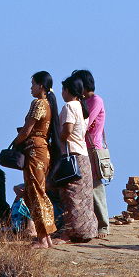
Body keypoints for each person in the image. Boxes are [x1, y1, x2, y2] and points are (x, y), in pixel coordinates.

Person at [15, 71, 57, 248]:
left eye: (33, 84)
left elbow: (27, 130)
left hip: (34, 151)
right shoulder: (49, 104)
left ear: (41, 86)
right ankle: (45, 235)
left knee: (35, 193)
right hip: (43, 151)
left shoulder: (38, 103)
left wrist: (15, 143)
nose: (31, 87)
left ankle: (42, 238)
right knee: (39, 192)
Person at [55, 75, 97, 243]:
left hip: (71, 155)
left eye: (63, 89)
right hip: (83, 155)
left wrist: (56, 138)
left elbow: (67, 132)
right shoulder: (82, 106)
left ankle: (69, 234)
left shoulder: (70, 106)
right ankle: (85, 230)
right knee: (84, 198)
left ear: (68, 90)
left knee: (70, 197)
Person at [72, 69, 110, 237]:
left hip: (92, 148)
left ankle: (103, 224)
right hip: (83, 147)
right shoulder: (84, 101)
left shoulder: (95, 100)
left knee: (95, 186)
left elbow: (86, 123)